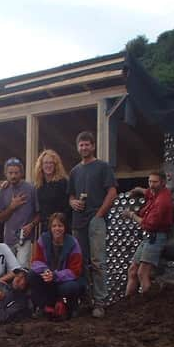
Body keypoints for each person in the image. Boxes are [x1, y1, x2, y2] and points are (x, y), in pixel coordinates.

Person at [67, 131, 117, 318]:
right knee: (80, 263)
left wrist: (99, 214)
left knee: (97, 262)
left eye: (87, 144)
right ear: (77, 147)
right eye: (81, 145)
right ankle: (85, 300)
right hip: (78, 223)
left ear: (93, 146)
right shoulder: (74, 171)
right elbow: (71, 195)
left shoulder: (103, 167)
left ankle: (100, 301)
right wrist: (72, 202)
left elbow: (112, 192)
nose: (84, 148)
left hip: (96, 221)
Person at [123, 171, 174, 296]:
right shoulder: (158, 192)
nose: (151, 185)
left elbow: (148, 224)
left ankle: (146, 305)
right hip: (149, 238)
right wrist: (139, 190)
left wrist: (131, 215)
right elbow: (149, 193)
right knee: (133, 270)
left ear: (163, 183)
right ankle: (127, 303)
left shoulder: (162, 202)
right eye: (150, 181)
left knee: (142, 273)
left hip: (155, 237)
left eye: (154, 182)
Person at [29, 212, 85, 320]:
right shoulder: (43, 240)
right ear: (50, 227)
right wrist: (46, 271)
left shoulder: (73, 243)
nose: (57, 229)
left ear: (65, 227)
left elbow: (75, 271)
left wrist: (55, 275)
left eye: (60, 226)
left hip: (65, 280)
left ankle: (72, 307)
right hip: (48, 277)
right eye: (54, 226)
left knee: (71, 287)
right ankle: (44, 307)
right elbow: (36, 262)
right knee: (31, 275)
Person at [0, 158, 39, 268]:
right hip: (8, 238)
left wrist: (31, 225)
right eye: (10, 173)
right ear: (6, 173)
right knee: (8, 269)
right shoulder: (3, 190)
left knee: (21, 269)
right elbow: (0, 218)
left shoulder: (31, 189)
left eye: (16, 173)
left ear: (22, 173)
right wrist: (11, 207)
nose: (13, 176)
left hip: (25, 238)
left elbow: (39, 213)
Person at [34, 149, 70, 234]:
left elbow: (67, 207)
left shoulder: (63, 182)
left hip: (60, 227)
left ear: (56, 165)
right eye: (46, 163)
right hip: (45, 228)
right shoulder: (39, 185)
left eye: (51, 163)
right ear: (41, 166)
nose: (48, 165)